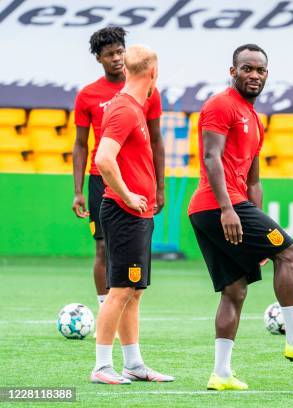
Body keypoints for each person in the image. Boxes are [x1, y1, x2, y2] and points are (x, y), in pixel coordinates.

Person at [188, 44, 293, 391]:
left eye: (260, 70)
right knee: (289, 252)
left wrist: (252, 215)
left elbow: (253, 180)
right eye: (247, 68)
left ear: (267, 75)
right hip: (217, 205)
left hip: (227, 207)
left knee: (234, 290)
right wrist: (228, 208)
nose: (254, 75)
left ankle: (221, 374)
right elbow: (211, 159)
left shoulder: (255, 119)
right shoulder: (220, 105)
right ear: (233, 71)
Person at [91, 45, 173, 384]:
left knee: (133, 290)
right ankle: (101, 366)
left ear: (126, 69)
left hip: (135, 215)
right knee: (121, 290)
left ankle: (134, 363)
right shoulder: (125, 110)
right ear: (153, 72)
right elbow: (103, 159)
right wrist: (128, 195)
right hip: (124, 212)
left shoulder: (134, 107)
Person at [71, 27, 165, 312]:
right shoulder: (88, 95)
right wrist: (78, 191)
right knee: (102, 247)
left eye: (120, 52)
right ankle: (106, 308)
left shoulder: (149, 91)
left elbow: (157, 140)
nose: (116, 58)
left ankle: (119, 307)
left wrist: (160, 186)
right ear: (99, 58)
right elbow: (80, 145)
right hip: (103, 179)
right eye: (109, 54)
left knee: (131, 251)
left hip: (137, 181)